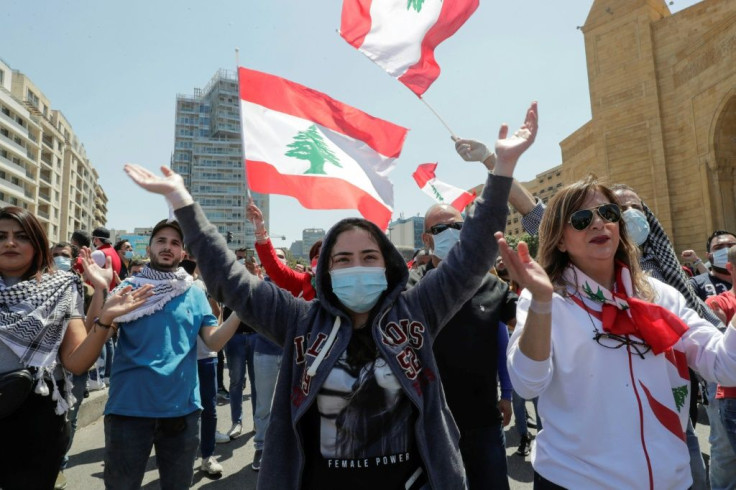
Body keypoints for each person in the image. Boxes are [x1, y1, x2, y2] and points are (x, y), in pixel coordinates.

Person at [123, 101, 535, 489]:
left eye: (368, 256)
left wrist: (501, 168)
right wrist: (182, 202)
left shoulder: (417, 310)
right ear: (325, 271)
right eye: (343, 259)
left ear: (388, 267)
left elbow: (473, 252)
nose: (356, 266)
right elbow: (230, 280)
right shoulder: (299, 320)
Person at [498, 176, 736, 489]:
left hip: (671, 479)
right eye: (582, 219)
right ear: (560, 240)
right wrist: (542, 303)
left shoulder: (661, 296)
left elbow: (725, 366)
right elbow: (528, 384)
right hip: (576, 481)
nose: (599, 223)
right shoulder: (546, 299)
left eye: (609, 214)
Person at [0, 207, 152, 490]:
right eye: (1, 236)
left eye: (21, 236)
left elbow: (76, 362)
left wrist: (105, 317)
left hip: (37, 421)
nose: (10, 243)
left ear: (36, 244)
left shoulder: (62, 287)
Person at [100, 219, 242, 489]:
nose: (168, 247)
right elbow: (99, 337)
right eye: (161, 241)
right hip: (128, 410)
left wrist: (239, 313)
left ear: (183, 253)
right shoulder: (128, 289)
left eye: (175, 243)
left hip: (182, 412)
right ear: (150, 247)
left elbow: (213, 343)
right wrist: (101, 295)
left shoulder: (194, 292)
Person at [407, 201, 519, 489]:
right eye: (440, 228)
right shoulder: (411, 288)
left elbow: (515, 334)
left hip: (483, 421)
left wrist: (507, 393)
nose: (451, 233)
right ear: (426, 239)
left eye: (458, 226)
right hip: (427, 425)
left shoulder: (493, 286)